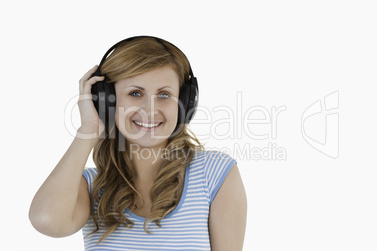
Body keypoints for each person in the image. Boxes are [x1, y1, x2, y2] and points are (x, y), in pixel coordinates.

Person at [29, 36, 247, 250]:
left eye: (164, 94)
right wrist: (88, 130)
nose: (150, 109)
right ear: (107, 101)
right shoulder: (90, 186)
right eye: (135, 93)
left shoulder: (214, 174)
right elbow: (46, 220)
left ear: (184, 103)